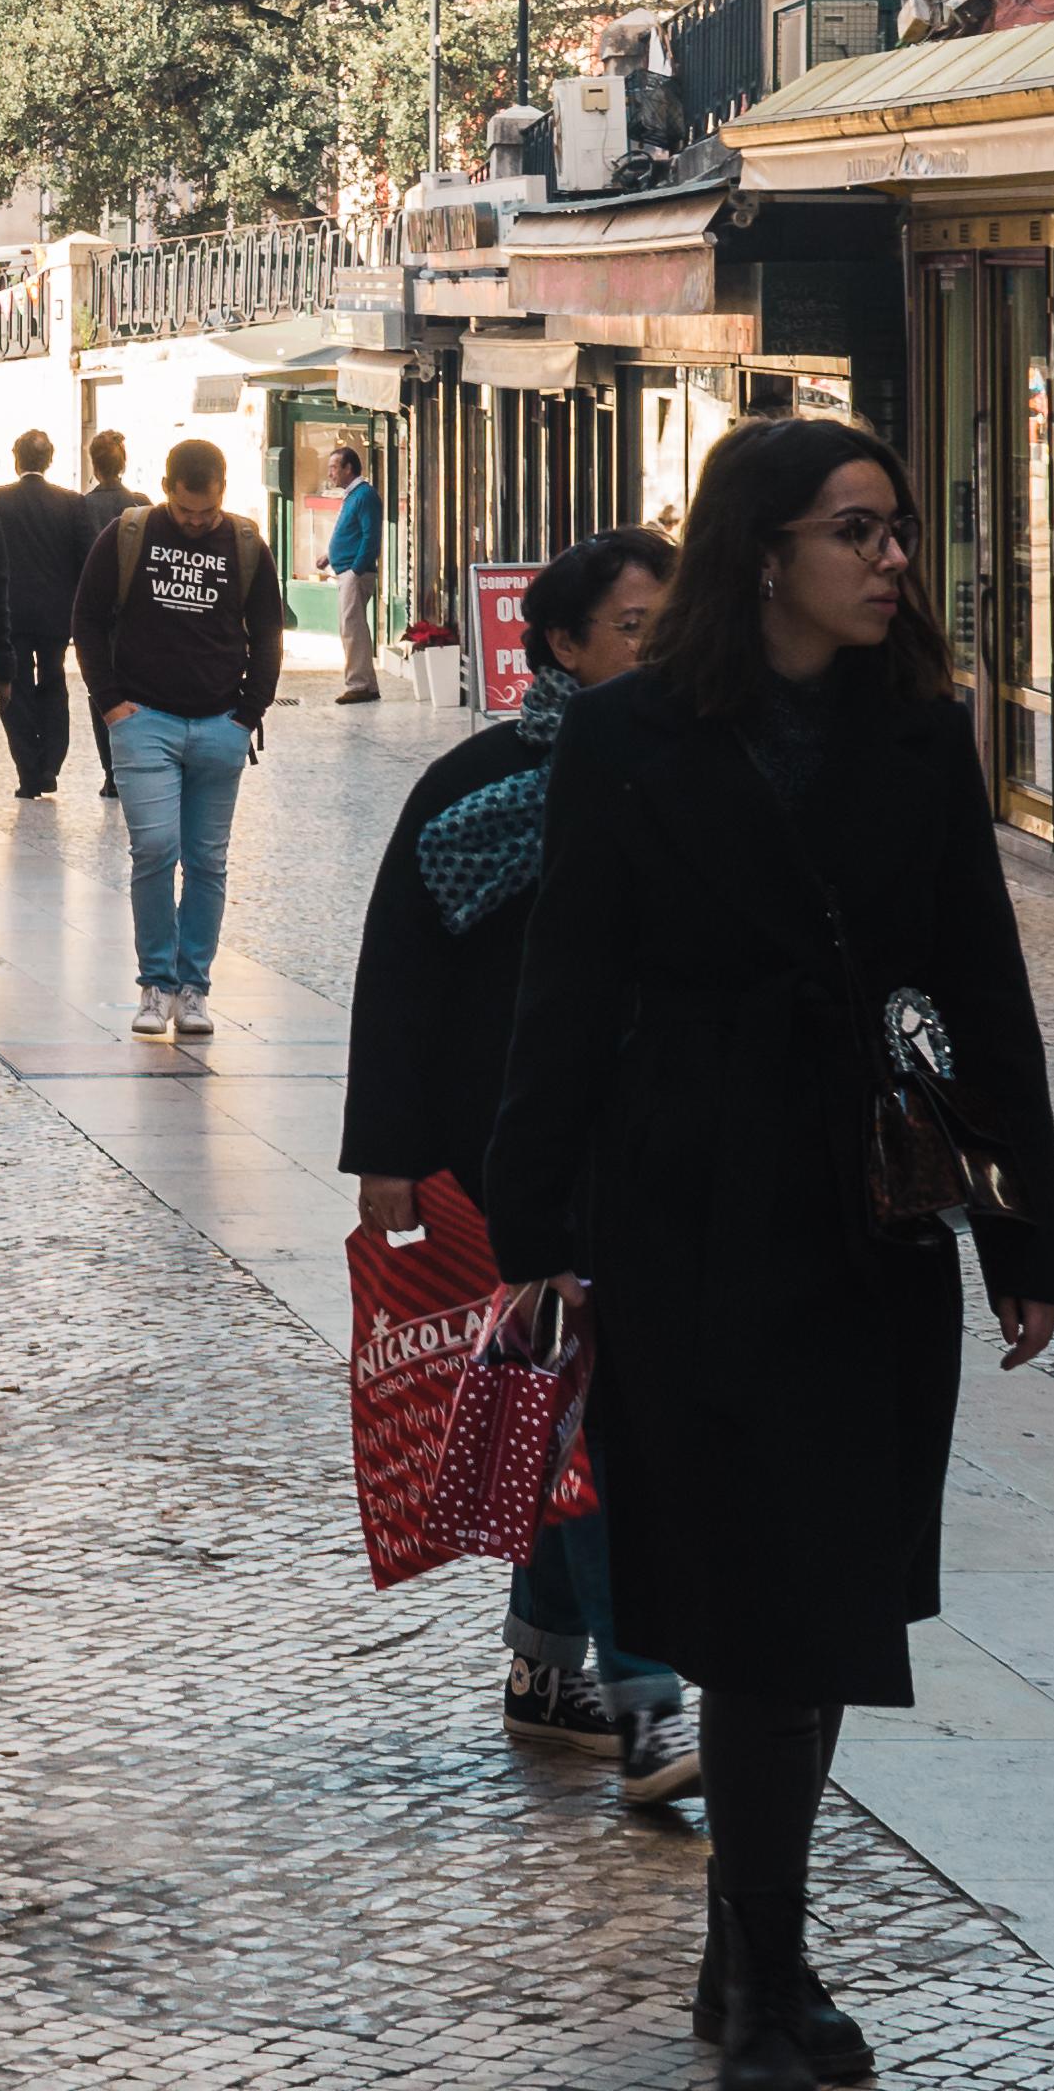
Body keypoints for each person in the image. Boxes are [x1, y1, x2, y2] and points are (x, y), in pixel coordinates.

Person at [483, 417, 1054, 2091]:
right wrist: (534, 1236)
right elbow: (566, 996)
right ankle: (765, 1979)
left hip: (869, 1221)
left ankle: (754, 1969)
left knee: (816, 1604)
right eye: (856, 532)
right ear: (767, 553)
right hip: (689, 1206)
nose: (893, 561)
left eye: (895, 530)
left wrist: (1026, 1238)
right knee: (753, 1605)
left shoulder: (919, 734)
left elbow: (984, 989)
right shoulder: (627, 739)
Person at [338, 531, 688, 1793]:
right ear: (564, 645)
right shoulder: (474, 784)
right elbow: (402, 973)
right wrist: (387, 1155)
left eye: (673, 619)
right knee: (595, 1423)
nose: (662, 644)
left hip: (652, 1158)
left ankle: (548, 1665)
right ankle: (649, 1704)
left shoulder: (690, 776)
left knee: (562, 1410)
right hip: (512, 1165)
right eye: (638, 625)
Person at [76, 439, 285, 1037]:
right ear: (167, 487)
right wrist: (112, 704)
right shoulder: (129, 533)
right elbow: (87, 618)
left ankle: (193, 989)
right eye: (187, 511)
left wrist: (249, 711)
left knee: (207, 861)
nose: (197, 522)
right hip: (146, 724)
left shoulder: (245, 543)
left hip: (221, 725)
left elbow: (268, 629)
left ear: (223, 489)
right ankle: (155, 985)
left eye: (207, 511)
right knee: (155, 849)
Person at [0, 428, 95, 797]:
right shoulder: (72, 503)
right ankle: (50, 765)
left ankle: (28, 771)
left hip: (9, 612)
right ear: (49, 460)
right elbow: (86, 561)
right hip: (56, 615)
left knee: (17, 689)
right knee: (54, 683)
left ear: (17, 459)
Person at [318, 439, 391, 703]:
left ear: (349, 468)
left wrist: (357, 569)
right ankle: (368, 685)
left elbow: (371, 535)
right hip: (347, 568)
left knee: (351, 628)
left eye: (334, 467)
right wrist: (330, 556)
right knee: (355, 627)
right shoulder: (353, 495)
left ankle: (358, 684)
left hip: (354, 572)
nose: (330, 473)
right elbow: (352, 532)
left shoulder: (365, 495)